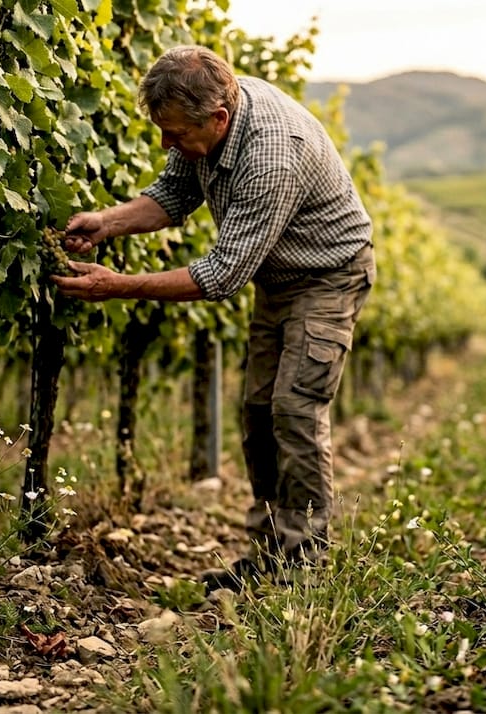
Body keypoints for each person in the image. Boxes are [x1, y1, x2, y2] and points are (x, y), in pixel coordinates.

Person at [52, 45, 375, 594]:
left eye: (174, 134)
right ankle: (273, 552)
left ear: (218, 120)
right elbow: (174, 194)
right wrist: (107, 222)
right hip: (279, 278)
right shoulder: (206, 110)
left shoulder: (273, 154)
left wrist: (117, 286)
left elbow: (220, 276)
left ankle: (309, 568)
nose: (165, 144)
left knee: (295, 407)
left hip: (328, 275)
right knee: (256, 412)